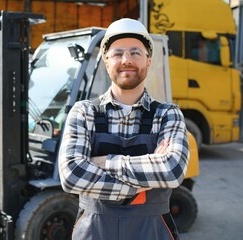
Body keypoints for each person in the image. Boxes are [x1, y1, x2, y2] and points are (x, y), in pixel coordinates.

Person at [58, 18, 190, 240]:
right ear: (106, 62)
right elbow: (71, 175)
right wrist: (135, 189)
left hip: (153, 231)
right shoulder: (84, 112)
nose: (126, 60)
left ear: (148, 61)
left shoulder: (168, 114)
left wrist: (103, 162)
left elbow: (173, 170)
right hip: (95, 230)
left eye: (135, 53)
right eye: (118, 53)